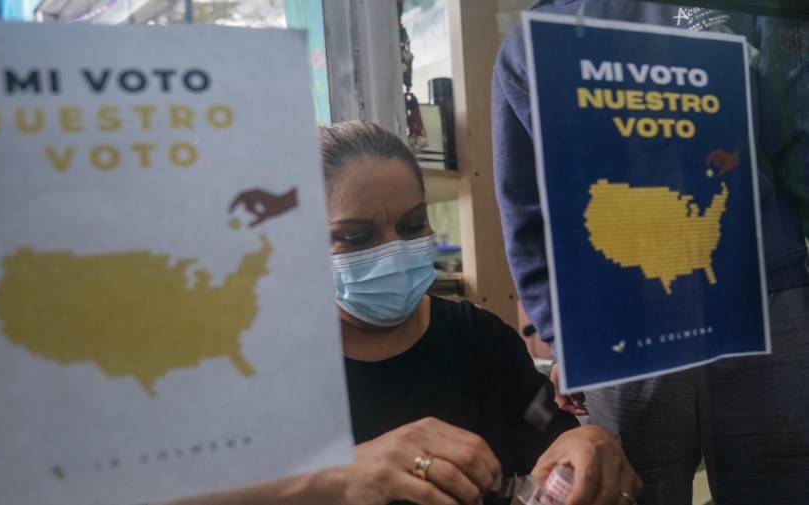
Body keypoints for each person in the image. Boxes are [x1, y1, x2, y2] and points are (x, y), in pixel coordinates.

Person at [158, 121, 641, 505]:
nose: (394, 252)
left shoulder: (479, 339)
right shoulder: (242, 362)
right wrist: (337, 479)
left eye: (412, 225)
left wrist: (587, 446)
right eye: (356, 237)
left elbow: (545, 443)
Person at [491, 2, 809, 505]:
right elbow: (524, 204)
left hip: (764, 292)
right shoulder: (534, 38)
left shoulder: (741, 9)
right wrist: (562, 331)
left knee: (783, 484)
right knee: (633, 489)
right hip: (622, 312)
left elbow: (789, 138)